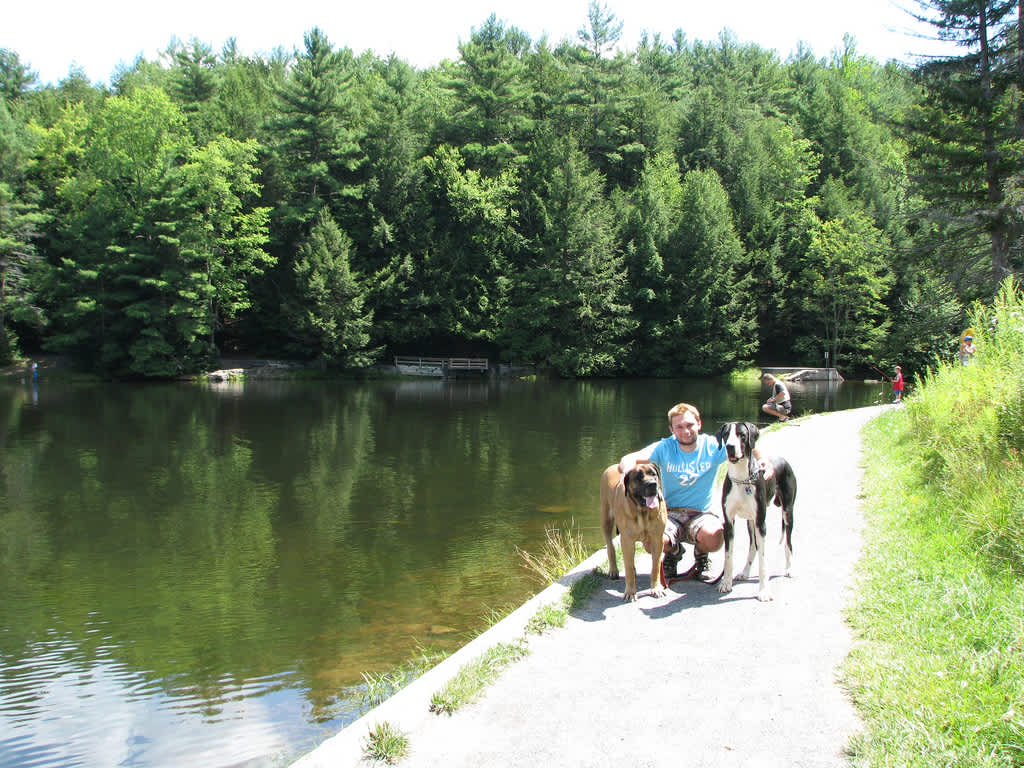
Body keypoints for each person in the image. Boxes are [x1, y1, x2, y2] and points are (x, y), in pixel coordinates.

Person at [617, 402, 770, 580]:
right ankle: (673, 553)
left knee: (715, 538)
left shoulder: (713, 446)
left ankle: (701, 554)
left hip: (701, 514)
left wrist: (764, 461)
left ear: (699, 424)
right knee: (651, 542)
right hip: (670, 514)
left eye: (690, 425)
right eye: (679, 427)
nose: (686, 431)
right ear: (671, 429)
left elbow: (751, 447)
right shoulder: (664, 447)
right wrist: (625, 472)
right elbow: (628, 458)